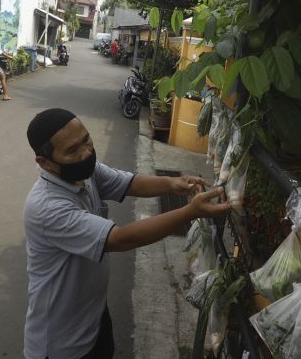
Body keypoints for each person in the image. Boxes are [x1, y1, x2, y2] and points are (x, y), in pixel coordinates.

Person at [23, 108, 231, 359]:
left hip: (95, 316)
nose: (86, 152)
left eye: (86, 139)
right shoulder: (46, 207)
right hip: (60, 342)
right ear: (44, 162)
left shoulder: (83, 171)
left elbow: (128, 183)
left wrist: (172, 183)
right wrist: (190, 212)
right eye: (72, 150)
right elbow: (121, 238)